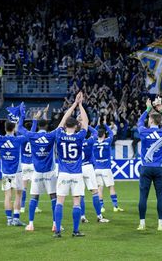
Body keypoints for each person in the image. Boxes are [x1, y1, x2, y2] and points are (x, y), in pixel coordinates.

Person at [18, 106, 59, 232]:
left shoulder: (32, 136)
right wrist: (45, 115)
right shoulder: (51, 136)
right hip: (50, 172)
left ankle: (30, 224)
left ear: (38, 127)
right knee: (53, 197)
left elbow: (19, 128)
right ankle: (55, 224)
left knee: (34, 197)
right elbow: (60, 127)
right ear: (46, 127)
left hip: (37, 172)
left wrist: (31, 118)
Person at [54, 92, 88, 238]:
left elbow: (63, 120)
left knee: (60, 202)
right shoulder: (79, 136)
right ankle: (75, 231)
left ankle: (57, 231)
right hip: (76, 173)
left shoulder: (59, 134)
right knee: (76, 202)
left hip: (63, 173)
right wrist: (80, 104)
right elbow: (86, 122)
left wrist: (73, 104)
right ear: (76, 126)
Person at [137, 98, 162, 231]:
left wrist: (147, 109)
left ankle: (142, 223)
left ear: (150, 121)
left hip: (146, 167)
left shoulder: (143, 131)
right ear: (160, 122)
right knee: (160, 196)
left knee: (143, 196)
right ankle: (161, 223)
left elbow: (139, 122)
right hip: (160, 169)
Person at [0, 109, 26, 226]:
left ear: (5, 129)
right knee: (18, 194)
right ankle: (16, 219)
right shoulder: (18, 139)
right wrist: (26, 119)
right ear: (14, 128)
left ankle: (9, 220)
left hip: (5, 173)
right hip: (17, 172)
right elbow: (29, 134)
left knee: (7, 195)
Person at [79, 122, 109, 223]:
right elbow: (95, 132)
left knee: (80, 194)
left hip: (78, 169)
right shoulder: (89, 141)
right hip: (88, 167)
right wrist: (86, 125)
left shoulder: (74, 142)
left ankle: (82, 216)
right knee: (94, 192)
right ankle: (99, 216)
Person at [93, 116, 123, 213]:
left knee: (100, 188)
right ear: (104, 135)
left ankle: (102, 207)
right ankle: (115, 207)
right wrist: (105, 124)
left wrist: (97, 125)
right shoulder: (107, 141)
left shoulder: (93, 142)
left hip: (97, 168)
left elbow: (93, 132)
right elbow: (111, 132)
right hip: (106, 168)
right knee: (111, 187)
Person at [18, 108, 39, 214]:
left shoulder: (21, 138)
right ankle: (35, 207)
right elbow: (33, 130)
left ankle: (22, 207)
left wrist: (22, 116)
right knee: (35, 188)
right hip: (33, 164)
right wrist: (35, 120)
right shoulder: (33, 136)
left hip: (24, 164)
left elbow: (19, 127)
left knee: (24, 187)